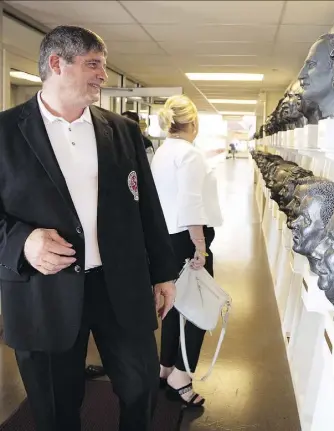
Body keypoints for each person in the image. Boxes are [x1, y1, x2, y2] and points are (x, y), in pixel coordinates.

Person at [0, 25, 177, 431]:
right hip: (44, 293)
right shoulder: (5, 133)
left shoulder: (122, 131)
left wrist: (164, 273)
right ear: (56, 64)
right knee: (56, 405)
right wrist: (23, 242)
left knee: (141, 389)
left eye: (103, 65)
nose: (103, 75)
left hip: (121, 287)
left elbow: (147, 207)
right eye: (93, 64)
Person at [150, 95, 223, 407]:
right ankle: (182, 374)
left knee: (172, 305)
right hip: (186, 239)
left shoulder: (163, 152)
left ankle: (165, 367)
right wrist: (200, 247)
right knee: (198, 309)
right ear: (193, 123)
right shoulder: (191, 155)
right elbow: (190, 202)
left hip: (165, 239)